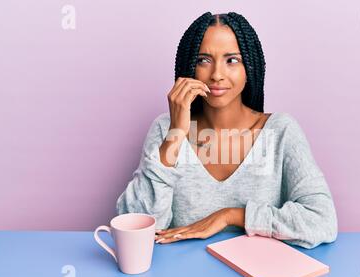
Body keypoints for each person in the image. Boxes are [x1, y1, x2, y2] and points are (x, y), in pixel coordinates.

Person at [116, 12, 338, 249]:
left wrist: (229, 216)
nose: (217, 75)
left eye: (232, 60)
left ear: (249, 68)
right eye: (204, 60)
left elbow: (322, 220)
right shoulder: (165, 129)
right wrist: (176, 135)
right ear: (190, 67)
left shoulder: (282, 131)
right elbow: (135, 227)